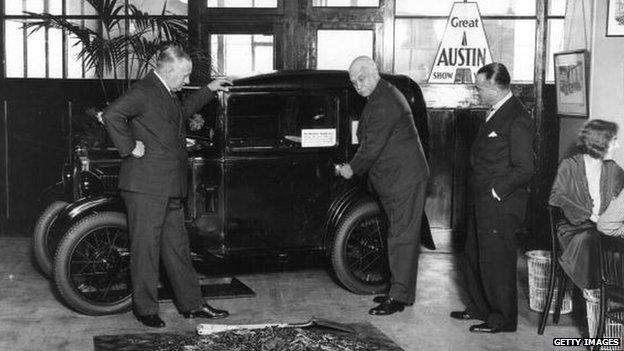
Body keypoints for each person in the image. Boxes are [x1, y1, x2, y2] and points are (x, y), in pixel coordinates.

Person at [103, 46, 232, 328]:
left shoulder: (166, 93)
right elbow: (111, 114)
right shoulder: (144, 90)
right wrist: (128, 147)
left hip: (168, 184)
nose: (186, 80)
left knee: (177, 248)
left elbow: (182, 112)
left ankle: (192, 305)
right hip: (146, 186)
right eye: (184, 75)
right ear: (169, 70)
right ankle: (145, 309)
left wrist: (209, 88)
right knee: (146, 248)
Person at [336, 56, 430, 315]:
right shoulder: (379, 96)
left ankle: (398, 297)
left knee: (401, 238)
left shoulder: (384, 101)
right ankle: (400, 292)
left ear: (374, 71)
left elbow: (371, 146)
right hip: (397, 179)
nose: (357, 85)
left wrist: (350, 169)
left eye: (361, 78)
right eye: (354, 81)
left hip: (404, 180)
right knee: (400, 235)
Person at [451, 63, 534, 333]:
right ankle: (479, 307)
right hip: (482, 199)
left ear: (495, 88)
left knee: (497, 261)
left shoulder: (517, 117)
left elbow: (525, 169)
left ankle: (502, 318)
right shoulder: (495, 111)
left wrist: (497, 192)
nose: (477, 92)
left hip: (500, 202)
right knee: (475, 255)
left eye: (479, 88)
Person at [549, 120, 623, 292]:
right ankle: (597, 294)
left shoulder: (613, 169)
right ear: (599, 142)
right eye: (614, 141)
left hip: (602, 229)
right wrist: (591, 216)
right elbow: (556, 198)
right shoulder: (569, 166)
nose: (618, 146)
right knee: (594, 241)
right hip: (574, 229)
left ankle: (608, 297)